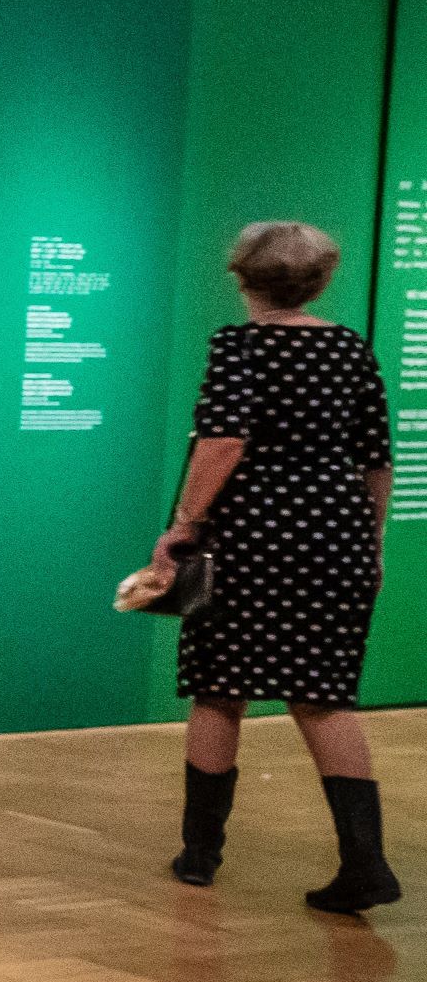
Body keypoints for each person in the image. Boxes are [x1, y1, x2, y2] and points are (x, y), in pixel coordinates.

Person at [157, 221, 399, 913]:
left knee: (218, 686)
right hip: (336, 536)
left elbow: (223, 439)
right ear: (321, 280)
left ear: (242, 276)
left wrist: (184, 525)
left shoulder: (239, 345)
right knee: (323, 695)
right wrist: (371, 542)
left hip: (249, 537)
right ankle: (365, 861)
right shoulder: (350, 349)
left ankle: (200, 853)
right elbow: (376, 459)